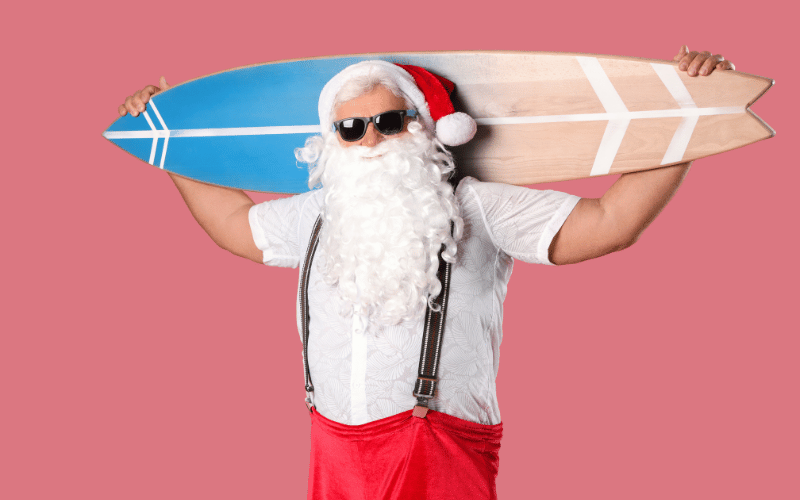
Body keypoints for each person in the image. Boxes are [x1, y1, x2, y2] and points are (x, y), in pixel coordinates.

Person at [118, 46, 734, 499]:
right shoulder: (316, 215)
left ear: (425, 127)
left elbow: (611, 223)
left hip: (441, 446)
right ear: (333, 142)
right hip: (333, 446)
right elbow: (233, 224)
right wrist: (167, 142)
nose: (373, 141)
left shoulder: (478, 206)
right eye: (352, 129)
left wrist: (697, 114)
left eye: (390, 122)